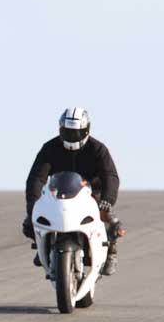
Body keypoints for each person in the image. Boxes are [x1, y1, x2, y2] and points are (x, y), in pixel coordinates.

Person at [22, 108, 124, 275]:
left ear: (86, 130)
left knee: (110, 221)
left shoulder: (98, 149)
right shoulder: (50, 148)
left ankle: (111, 252)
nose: (72, 136)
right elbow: (36, 178)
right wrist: (32, 203)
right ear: (60, 129)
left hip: (92, 195)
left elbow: (110, 176)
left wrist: (108, 199)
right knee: (30, 222)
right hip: (59, 194)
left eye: (76, 132)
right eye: (68, 132)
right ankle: (43, 246)